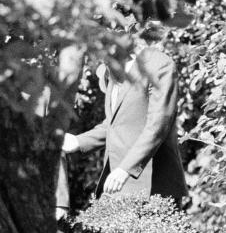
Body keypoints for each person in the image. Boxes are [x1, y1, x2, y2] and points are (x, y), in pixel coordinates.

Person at [62, 36, 188, 202]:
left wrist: (125, 169)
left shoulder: (158, 64)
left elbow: (157, 126)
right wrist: (78, 142)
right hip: (115, 189)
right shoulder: (112, 69)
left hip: (152, 188)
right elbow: (116, 123)